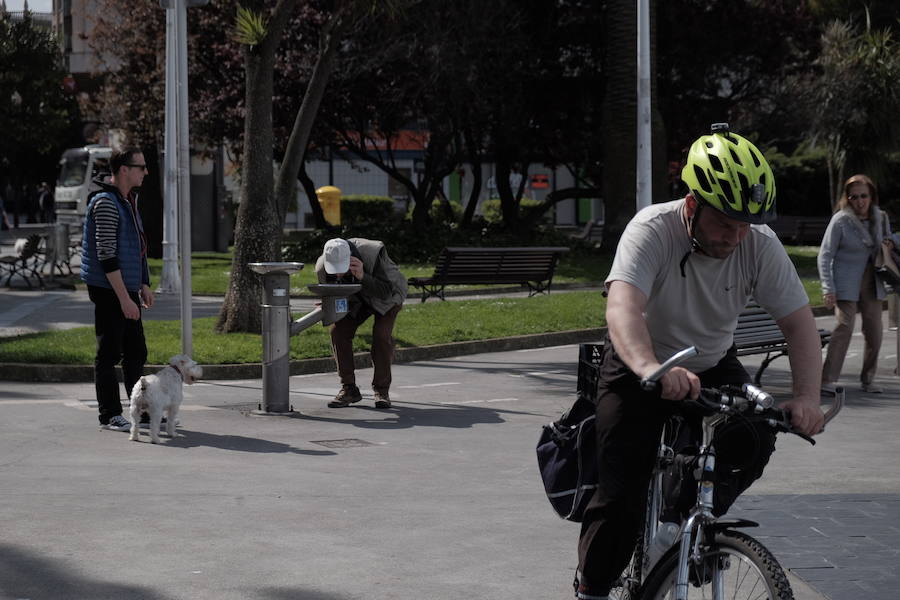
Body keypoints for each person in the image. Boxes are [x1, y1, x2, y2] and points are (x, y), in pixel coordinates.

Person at [574, 124, 825, 600]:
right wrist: (653, 368)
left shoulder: (758, 244)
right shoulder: (652, 229)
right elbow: (623, 308)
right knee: (621, 495)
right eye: (725, 223)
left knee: (754, 436)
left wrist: (808, 397)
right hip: (640, 361)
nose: (736, 236)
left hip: (710, 360)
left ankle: (680, 525)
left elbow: (799, 325)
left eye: (744, 224)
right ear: (692, 205)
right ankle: (593, 588)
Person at [80, 147, 154, 431]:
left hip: (127, 288)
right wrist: (124, 298)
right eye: (141, 167)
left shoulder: (128, 200)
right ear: (124, 169)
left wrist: (143, 284)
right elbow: (107, 255)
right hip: (109, 288)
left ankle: (141, 412)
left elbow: (139, 248)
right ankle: (110, 414)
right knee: (109, 353)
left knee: (136, 351)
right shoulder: (106, 203)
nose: (145, 172)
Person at [817, 174, 890, 394]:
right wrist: (828, 288)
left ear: (871, 196)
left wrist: (890, 244)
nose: (859, 201)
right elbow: (825, 254)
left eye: (864, 196)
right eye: (854, 196)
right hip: (846, 283)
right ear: (848, 198)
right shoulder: (841, 220)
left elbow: (889, 244)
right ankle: (827, 380)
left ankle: (868, 379)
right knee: (844, 328)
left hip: (873, 281)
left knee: (875, 332)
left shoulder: (881, 217)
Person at [315, 237, 407, 409]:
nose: (339, 275)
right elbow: (330, 291)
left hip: (388, 296)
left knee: (381, 335)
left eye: (342, 269)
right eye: (334, 270)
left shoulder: (373, 253)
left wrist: (363, 276)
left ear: (351, 258)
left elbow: (386, 291)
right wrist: (328, 301)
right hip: (355, 300)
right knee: (338, 332)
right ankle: (349, 389)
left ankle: (382, 390)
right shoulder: (322, 267)